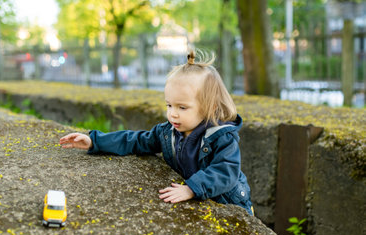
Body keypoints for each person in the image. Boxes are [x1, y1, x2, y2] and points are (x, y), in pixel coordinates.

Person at [59, 50, 253, 215]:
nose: (172, 114)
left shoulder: (222, 137)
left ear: (209, 106)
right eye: (169, 105)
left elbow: (225, 171)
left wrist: (192, 189)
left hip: (232, 205)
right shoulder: (168, 132)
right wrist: (95, 141)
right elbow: (136, 141)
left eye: (182, 108)